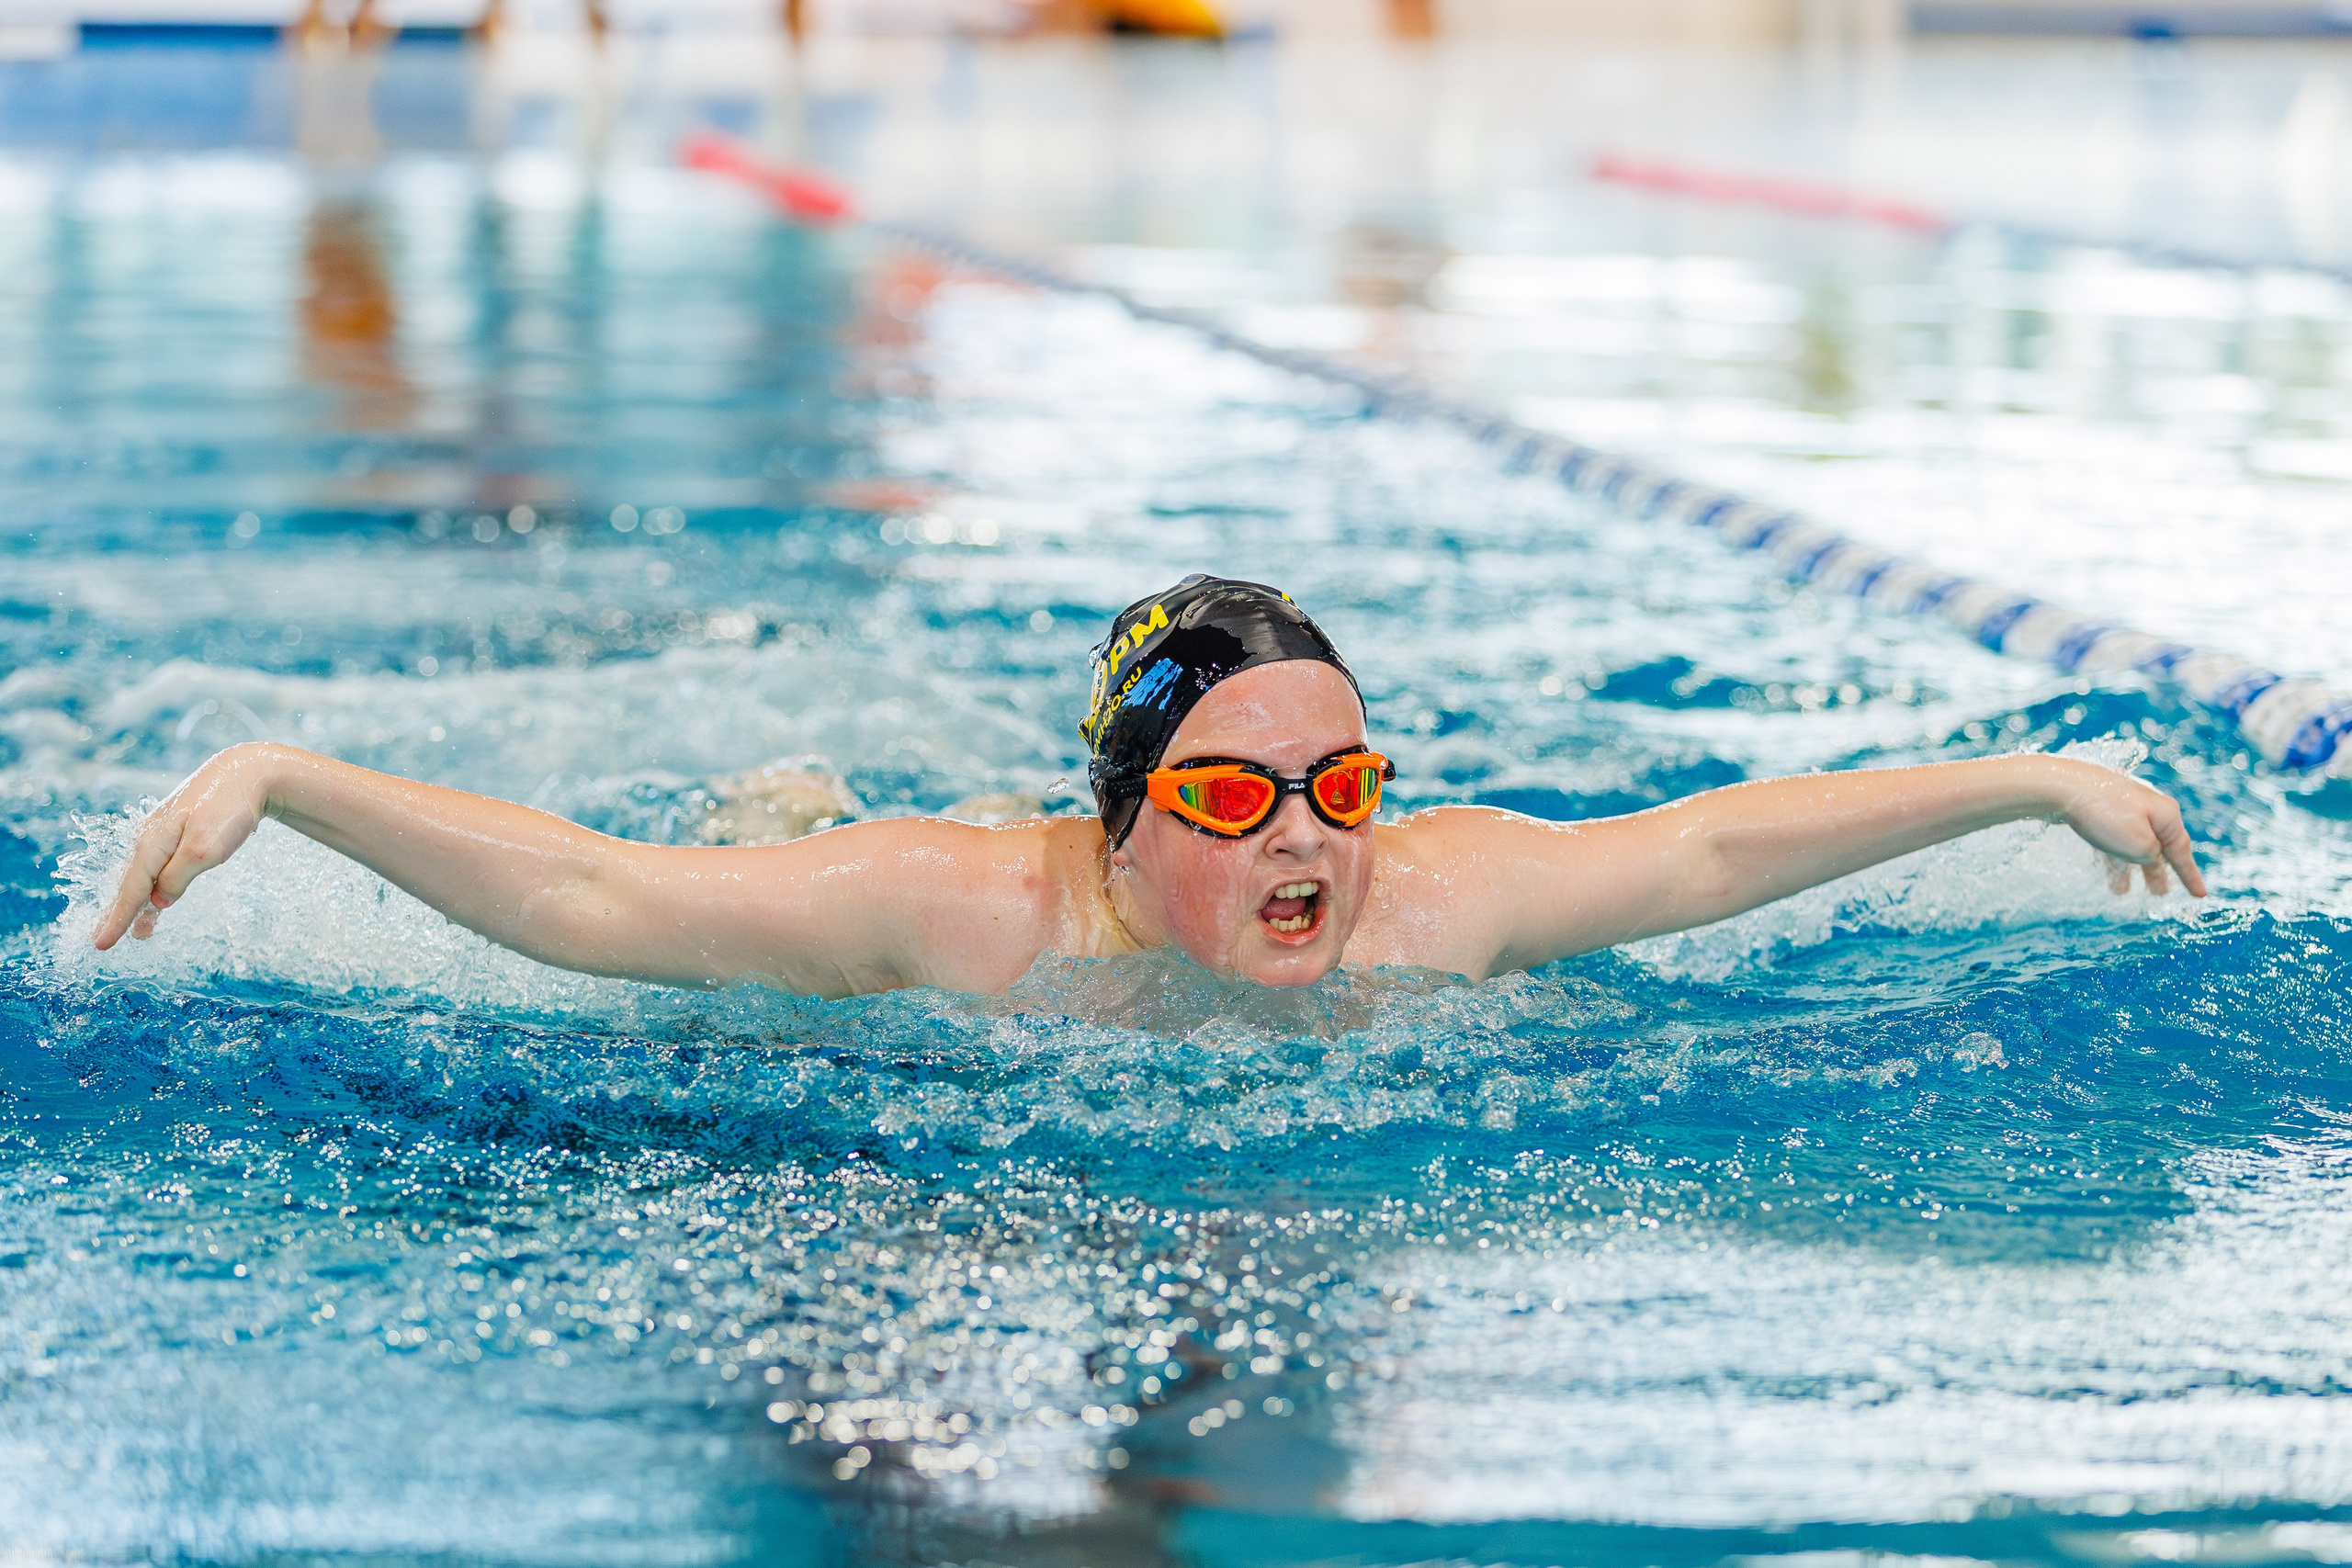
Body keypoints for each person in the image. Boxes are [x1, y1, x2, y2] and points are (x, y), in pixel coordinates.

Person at [94, 575, 2206, 998]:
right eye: (1228, 798)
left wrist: (2026, 773)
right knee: (748, 870)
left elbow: (1710, 841)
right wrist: (287, 773)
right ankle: (786, 796)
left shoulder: (1422, 900)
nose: (1304, 837)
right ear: (1116, 818)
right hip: (847, 886)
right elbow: (593, 903)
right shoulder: (967, 915)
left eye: (1342, 781)